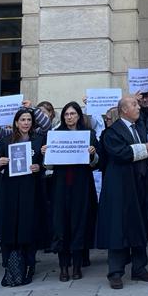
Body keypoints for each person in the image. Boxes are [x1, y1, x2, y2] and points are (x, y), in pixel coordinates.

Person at [96, 96, 148, 290]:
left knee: (139, 227)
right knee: (119, 229)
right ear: (123, 110)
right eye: (134, 105)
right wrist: (146, 148)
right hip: (120, 189)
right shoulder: (111, 132)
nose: (138, 107)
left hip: (139, 186)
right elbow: (122, 153)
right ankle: (115, 272)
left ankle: (139, 268)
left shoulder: (140, 127)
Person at [48, 102, 99, 282]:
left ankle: (77, 266)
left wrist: (92, 154)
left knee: (79, 224)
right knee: (61, 226)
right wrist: (46, 153)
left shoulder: (89, 135)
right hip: (61, 187)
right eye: (67, 114)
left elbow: (96, 164)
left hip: (81, 187)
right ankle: (63, 267)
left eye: (73, 114)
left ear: (79, 116)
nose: (69, 117)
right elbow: (49, 165)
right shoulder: (55, 135)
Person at [0, 109, 45, 286]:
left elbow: (45, 164)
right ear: (16, 122)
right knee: (9, 228)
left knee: (28, 228)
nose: (25, 123)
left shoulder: (38, 140)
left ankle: (29, 265)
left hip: (30, 191)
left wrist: (40, 166)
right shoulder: (6, 141)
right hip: (10, 190)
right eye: (22, 119)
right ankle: (9, 267)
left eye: (29, 119)